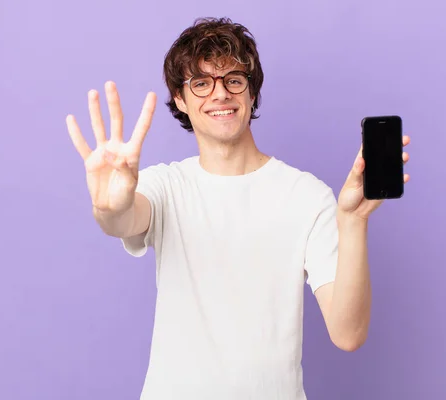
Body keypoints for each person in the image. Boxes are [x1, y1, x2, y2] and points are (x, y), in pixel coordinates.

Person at [66, 17, 410, 400]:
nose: (220, 94)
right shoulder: (164, 186)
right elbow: (123, 218)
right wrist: (108, 207)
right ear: (180, 100)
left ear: (251, 92)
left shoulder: (306, 196)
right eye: (201, 82)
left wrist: (353, 221)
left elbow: (348, 334)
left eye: (233, 79)